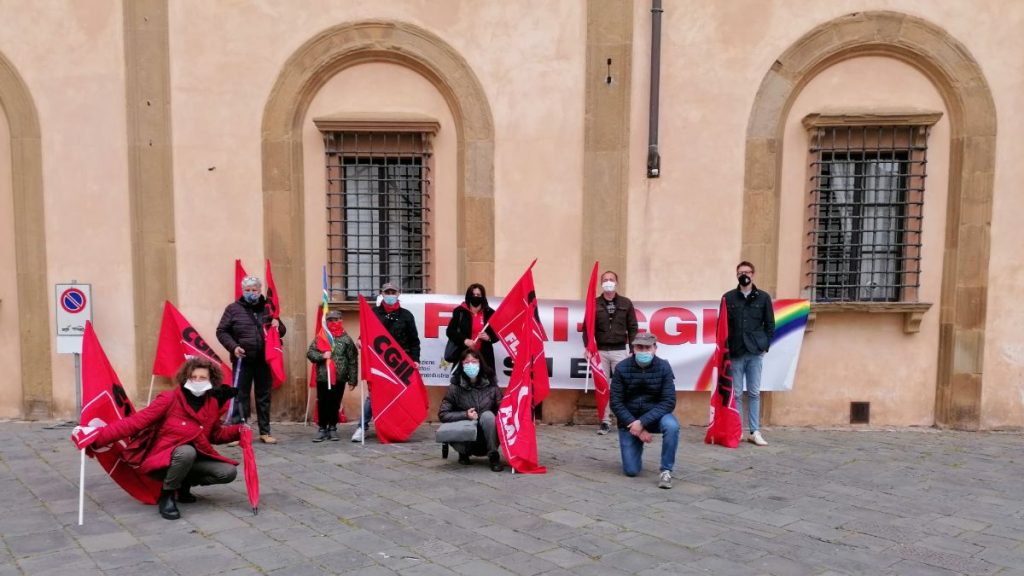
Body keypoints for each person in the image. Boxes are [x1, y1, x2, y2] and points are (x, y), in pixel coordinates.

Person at [81, 358, 243, 520]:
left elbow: (215, 435)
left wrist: (239, 431)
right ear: (186, 378)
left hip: (195, 457)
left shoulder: (212, 403)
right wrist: (97, 436)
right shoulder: (169, 399)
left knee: (228, 472)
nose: (197, 381)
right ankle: (167, 495)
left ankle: (183, 485)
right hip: (163, 459)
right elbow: (135, 423)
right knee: (186, 452)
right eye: (193, 377)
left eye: (203, 378)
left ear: (211, 380)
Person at [216, 275, 286, 444]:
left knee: (264, 395)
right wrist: (234, 347)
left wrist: (278, 324)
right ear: (242, 291)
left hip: (264, 359)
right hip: (242, 360)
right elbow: (221, 331)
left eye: (254, 290)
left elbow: (281, 331)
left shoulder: (269, 309)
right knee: (240, 395)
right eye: (247, 290)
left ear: (259, 290)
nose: (251, 293)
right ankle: (238, 432)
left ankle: (265, 431)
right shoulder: (233, 309)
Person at [609, 332, 679, 489]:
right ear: (633, 348)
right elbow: (615, 402)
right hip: (630, 421)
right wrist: (636, 426)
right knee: (631, 471)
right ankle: (636, 441)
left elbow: (669, 401)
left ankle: (666, 470)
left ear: (655, 348)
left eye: (647, 347)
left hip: (656, 417)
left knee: (672, 426)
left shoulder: (664, 367)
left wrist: (643, 422)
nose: (643, 351)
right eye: (639, 347)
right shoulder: (621, 368)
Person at [354, 281, 421, 442]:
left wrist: (416, 359)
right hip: (379, 362)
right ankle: (362, 427)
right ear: (382, 294)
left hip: (400, 362)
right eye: (387, 292)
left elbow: (414, 341)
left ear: (398, 294)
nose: (390, 295)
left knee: (400, 396)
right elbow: (366, 332)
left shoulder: (406, 315)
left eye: (393, 292)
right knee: (373, 396)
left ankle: (396, 428)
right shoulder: (374, 313)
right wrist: (360, 340)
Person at [723, 261, 775, 446]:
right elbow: (723, 326)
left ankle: (754, 431)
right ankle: (737, 431)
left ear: (753, 274)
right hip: (736, 352)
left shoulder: (763, 298)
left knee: (753, 392)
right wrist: (725, 348)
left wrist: (764, 345)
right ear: (736, 275)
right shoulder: (728, 298)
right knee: (736, 393)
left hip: (754, 352)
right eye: (740, 272)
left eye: (747, 272)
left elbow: (770, 324)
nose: (743, 275)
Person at [583, 270, 638, 434]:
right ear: (601, 283)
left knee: (622, 387)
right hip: (600, 352)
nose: (608, 282)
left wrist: (633, 348)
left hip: (620, 351)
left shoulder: (626, 303)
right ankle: (605, 421)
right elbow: (587, 329)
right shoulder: (593, 303)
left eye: (611, 279)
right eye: (605, 280)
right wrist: (588, 347)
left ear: (617, 283)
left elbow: (633, 327)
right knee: (602, 387)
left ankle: (624, 420)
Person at [438, 349, 504, 471]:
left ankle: (493, 456)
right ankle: (463, 453)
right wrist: (465, 415)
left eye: (474, 362)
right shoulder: (455, 387)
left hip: (488, 437)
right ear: (462, 365)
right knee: (460, 422)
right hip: (464, 439)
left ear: (480, 363)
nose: (470, 365)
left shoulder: (492, 386)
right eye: (467, 362)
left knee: (488, 416)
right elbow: (443, 414)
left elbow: (504, 410)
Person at [306, 310, 358, 442]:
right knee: (323, 402)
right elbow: (310, 353)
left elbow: (352, 360)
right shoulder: (321, 337)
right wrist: (322, 356)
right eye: (330, 320)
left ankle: (333, 427)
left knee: (335, 403)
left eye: (336, 320)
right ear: (327, 322)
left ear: (341, 321)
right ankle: (322, 428)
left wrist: (352, 379)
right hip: (323, 376)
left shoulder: (346, 339)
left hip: (339, 377)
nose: (334, 322)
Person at [445, 283, 498, 374]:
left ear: (483, 297)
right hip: (464, 355)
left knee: (486, 384)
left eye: (478, 295)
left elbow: (498, 333)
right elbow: (450, 331)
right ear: (468, 296)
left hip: (484, 357)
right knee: (462, 383)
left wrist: (489, 338)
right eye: (473, 295)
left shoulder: (490, 313)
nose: (475, 297)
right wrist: (464, 340)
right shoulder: (459, 311)